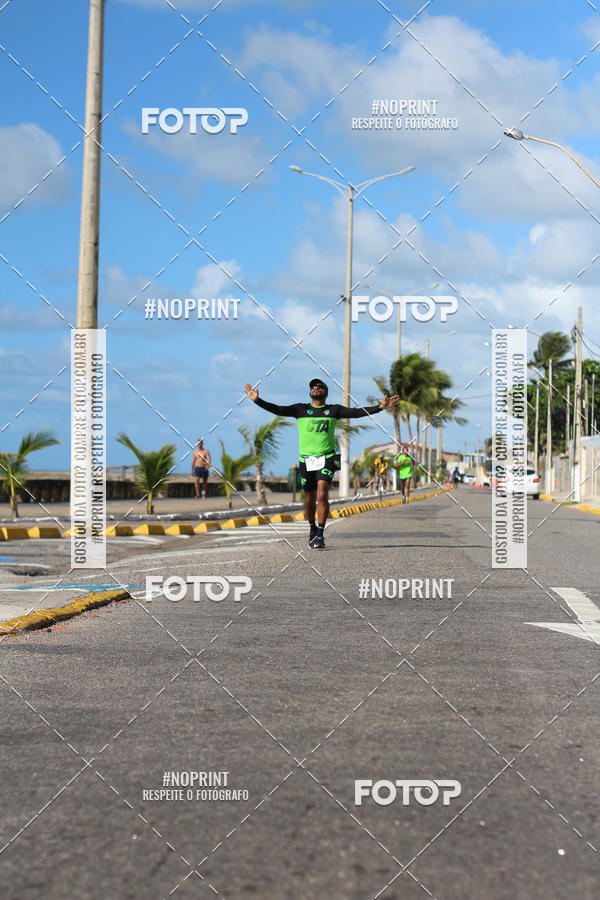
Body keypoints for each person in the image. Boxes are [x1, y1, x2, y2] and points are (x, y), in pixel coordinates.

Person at [244, 379, 399, 549]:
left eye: (319, 387)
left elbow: (356, 412)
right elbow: (278, 409)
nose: (315, 389)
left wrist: (379, 407)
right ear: (310, 392)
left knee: (322, 493)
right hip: (306, 460)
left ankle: (320, 534)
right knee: (309, 499)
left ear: (325, 392)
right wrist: (257, 400)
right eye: (313, 387)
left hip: (327, 458)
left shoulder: (333, 410)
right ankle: (312, 528)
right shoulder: (300, 409)